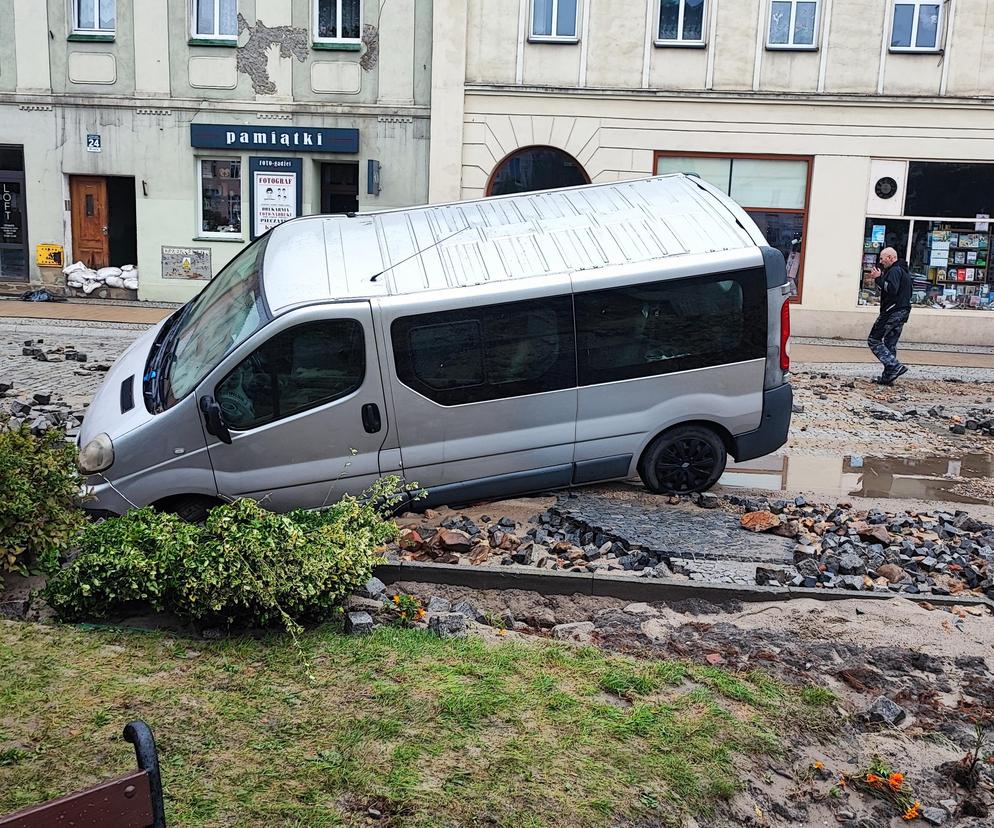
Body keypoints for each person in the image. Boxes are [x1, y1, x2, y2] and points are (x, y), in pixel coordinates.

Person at [867, 247, 912, 384]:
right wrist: (880, 279)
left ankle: (894, 366)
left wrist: (879, 278)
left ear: (891, 258)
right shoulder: (903, 270)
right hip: (902, 310)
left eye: (882, 258)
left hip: (892, 311)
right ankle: (888, 376)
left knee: (874, 339)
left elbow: (892, 290)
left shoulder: (895, 271)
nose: (881, 261)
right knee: (890, 343)